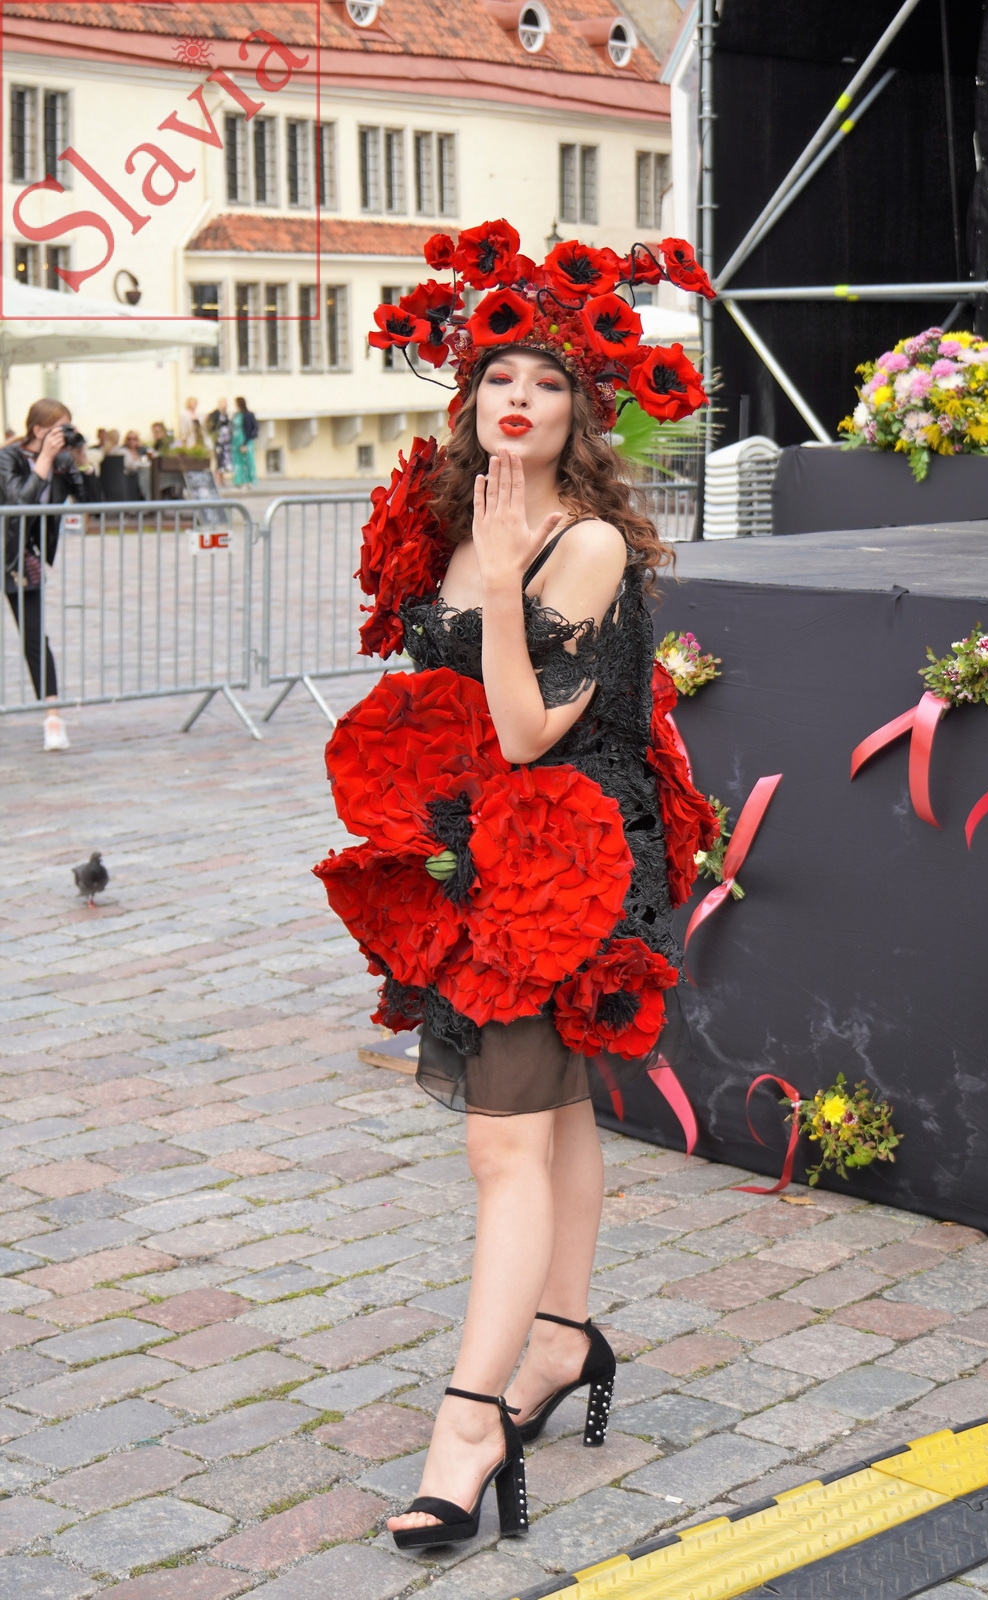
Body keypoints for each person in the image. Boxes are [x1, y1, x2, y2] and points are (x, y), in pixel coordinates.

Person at [314, 221, 717, 1549]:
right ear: (469, 393)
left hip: (569, 863)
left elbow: (531, 729)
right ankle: (557, 1340)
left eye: (547, 383)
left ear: (579, 412)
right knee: (547, 1121)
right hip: (477, 852)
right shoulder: (452, 525)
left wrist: (495, 586)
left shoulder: (581, 545)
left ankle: (468, 1425)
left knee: (501, 1141)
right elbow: (438, 712)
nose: (519, 399)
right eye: (500, 377)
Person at [0, 398, 89, 750]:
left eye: (68, 427)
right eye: (58, 428)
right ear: (37, 430)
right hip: (4, 549)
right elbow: (18, 503)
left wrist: (82, 462)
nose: (63, 434)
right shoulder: (7, 458)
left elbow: (94, 504)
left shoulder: (62, 460)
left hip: (22, 558)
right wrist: (44, 461)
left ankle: (53, 718)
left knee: (35, 636)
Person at [231, 396, 257, 487]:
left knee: (246, 462)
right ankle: (239, 481)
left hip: (244, 440)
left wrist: (245, 444)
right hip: (236, 442)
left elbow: (249, 429)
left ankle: (248, 481)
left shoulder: (247, 415)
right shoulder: (236, 414)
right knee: (237, 463)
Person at [206, 399, 232, 480]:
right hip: (218, 439)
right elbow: (211, 426)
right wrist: (214, 436)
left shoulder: (225, 414)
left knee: (224, 458)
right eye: (223, 403)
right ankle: (217, 476)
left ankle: (222, 476)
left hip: (225, 440)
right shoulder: (215, 414)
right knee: (218, 458)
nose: (225, 405)